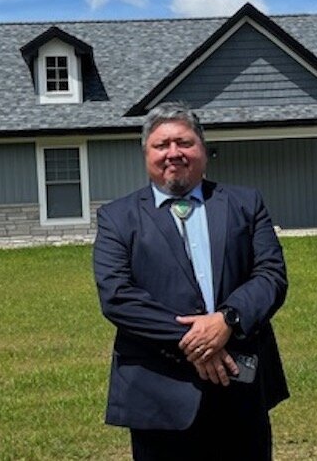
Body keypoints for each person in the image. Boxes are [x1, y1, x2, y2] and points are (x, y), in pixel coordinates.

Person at [93, 101, 289, 461]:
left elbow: (271, 275)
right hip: (159, 391)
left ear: (203, 149)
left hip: (239, 386)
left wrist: (227, 320)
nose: (174, 153)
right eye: (161, 145)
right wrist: (198, 339)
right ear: (145, 154)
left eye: (184, 143)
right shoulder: (117, 218)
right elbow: (117, 295)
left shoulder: (245, 204)